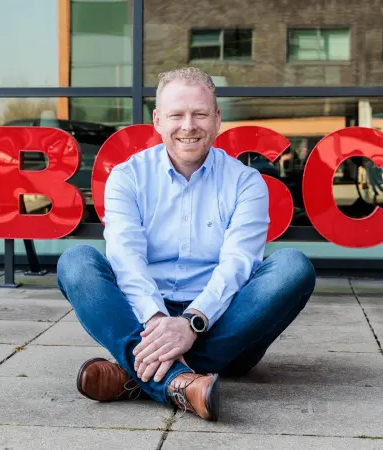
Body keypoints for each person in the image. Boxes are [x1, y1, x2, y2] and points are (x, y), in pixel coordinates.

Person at [57, 67, 316, 421]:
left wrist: (192, 322)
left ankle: (133, 375)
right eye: (176, 115)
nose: (188, 126)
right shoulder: (127, 177)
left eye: (200, 114)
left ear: (217, 119)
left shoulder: (246, 183)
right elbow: (126, 260)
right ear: (157, 120)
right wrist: (158, 320)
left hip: (224, 325)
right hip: (146, 323)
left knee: (292, 267)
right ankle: (181, 382)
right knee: (75, 262)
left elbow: (238, 264)